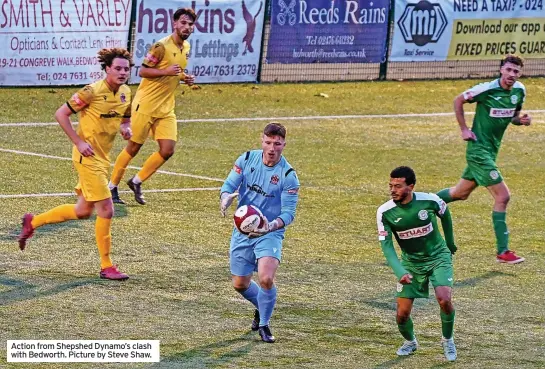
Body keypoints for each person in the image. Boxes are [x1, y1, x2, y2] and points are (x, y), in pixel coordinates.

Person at [17, 48, 134, 280]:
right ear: (107, 69)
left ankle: (33, 222)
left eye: (126, 69)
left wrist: (125, 126)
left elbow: (126, 114)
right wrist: (79, 142)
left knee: (82, 211)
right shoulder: (91, 92)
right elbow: (60, 114)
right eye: (118, 68)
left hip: (103, 158)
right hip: (87, 158)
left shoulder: (126, 93)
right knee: (107, 210)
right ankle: (106, 265)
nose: (122, 73)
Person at [437, 54, 531, 264]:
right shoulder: (486, 89)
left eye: (516, 71)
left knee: (460, 193)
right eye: (508, 70)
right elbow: (458, 100)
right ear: (501, 70)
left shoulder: (519, 91)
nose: (511, 75)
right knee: (503, 196)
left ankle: (420, 204)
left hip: (490, 152)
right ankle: (503, 251)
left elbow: (512, 116)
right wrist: (464, 129)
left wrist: (521, 120)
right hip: (478, 151)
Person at [219, 123, 300, 343]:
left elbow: (289, 213)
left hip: (270, 233)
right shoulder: (245, 159)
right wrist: (225, 197)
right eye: (268, 142)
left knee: (265, 279)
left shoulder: (288, 175)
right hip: (243, 232)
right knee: (240, 284)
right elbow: (228, 185)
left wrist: (270, 226)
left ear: (284, 144)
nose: (272, 148)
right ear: (261, 141)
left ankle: (264, 324)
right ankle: (261, 305)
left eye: (277, 143)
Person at [108, 8, 197, 205]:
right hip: (146, 105)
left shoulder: (186, 47)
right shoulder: (160, 46)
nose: (187, 27)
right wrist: (166, 70)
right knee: (133, 148)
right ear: (174, 24)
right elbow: (143, 71)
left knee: (167, 149)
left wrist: (185, 78)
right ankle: (112, 187)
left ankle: (137, 181)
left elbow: (176, 71)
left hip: (166, 108)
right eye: (183, 23)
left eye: (190, 24)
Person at [377, 166, 457, 361]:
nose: (393, 190)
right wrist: (399, 271)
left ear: (410, 186)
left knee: (444, 298)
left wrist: (450, 242)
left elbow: (445, 214)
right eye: (391, 186)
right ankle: (410, 342)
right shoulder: (385, 212)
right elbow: (387, 246)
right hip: (411, 263)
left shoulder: (430, 200)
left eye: (398, 186)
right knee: (401, 314)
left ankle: (447, 340)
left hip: (438, 256)